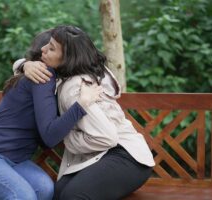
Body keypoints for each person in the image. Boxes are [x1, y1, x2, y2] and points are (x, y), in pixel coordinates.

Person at [15, 25, 155, 200]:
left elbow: (106, 137)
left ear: (67, 59)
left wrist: (67, 138)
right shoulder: (69, 75)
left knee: (73, 196)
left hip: (127, 157)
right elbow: (27, 65)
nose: (43, 49)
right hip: (105, 155)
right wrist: (25, 64)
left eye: (51, 48)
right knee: (59, 193)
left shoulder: (76, 88)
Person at [0, 28, 103, 200]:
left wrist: (23, 64)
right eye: (45, 46)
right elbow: (50, 136)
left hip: (16, 161)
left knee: (45, 190)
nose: (44, 50)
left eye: (51, 48)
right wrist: (81, 105)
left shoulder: (54, 80)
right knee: (24, 197)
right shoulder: (43, 76)